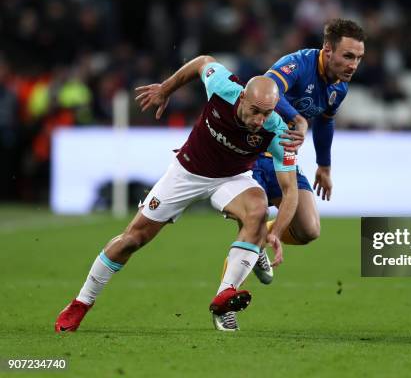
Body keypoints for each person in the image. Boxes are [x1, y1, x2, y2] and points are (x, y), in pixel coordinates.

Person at [54, 55, 298, 332]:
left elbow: (290, 191)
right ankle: (81, 303)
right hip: (186, 173)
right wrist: (165, 89)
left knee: (258, 209)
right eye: (255, 111)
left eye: (267, 113)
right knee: (133, 239)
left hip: (232, 179)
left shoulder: (277, 131)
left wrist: (276, 231)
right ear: (242, 97)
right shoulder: (222, 86)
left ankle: (224, 298)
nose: (259, 120)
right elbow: (201, 62)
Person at [247, 18, 365, 284]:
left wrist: (324, 165)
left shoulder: (340, 87)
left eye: (358, 58)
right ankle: (227, 297)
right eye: (348, 56)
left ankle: (262, 237)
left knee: (309, 229)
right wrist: (298, 118)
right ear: (327, 50)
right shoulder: (298, 65)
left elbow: (325, 120)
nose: (353, 65)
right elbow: (268, 87)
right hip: (251, 151)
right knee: (249, 225)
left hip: (283, 156)